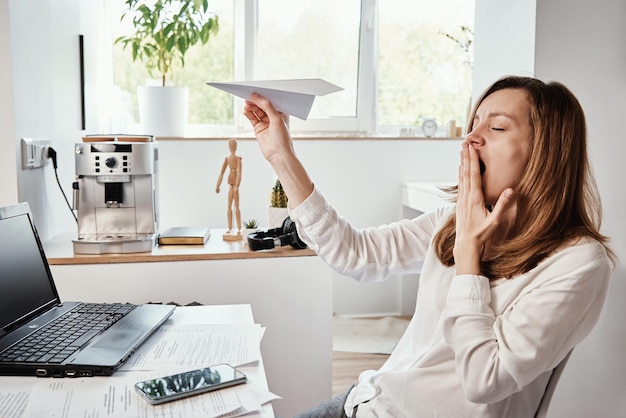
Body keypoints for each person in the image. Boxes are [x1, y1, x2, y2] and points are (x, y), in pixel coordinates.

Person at [243, 76, 615, 417]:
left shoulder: (578, 262)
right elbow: (356, 255)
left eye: (497, 126)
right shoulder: (450, 220)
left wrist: (470, 254)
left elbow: (484, 380)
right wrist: (281, 155)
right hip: (368, 402)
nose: (471, 138)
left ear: (546, 154)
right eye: (474, 124)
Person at [216, 138, 243, 240]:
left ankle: (239, 228)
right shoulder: (227, 159)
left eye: (233, 146)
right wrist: (218, 185)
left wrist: (237, 185)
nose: (232, 148)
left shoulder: (238, 159)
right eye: (231, 146)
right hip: (230, 184)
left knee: (236, 206)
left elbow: (240, 173)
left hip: (235, 184)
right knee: (229, 206)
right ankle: (230, 228)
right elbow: (221, 173)